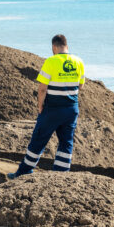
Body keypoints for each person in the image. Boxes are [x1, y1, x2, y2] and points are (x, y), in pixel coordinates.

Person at [8, 34, 85, 178]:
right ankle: (60, 175)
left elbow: (42, 88)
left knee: (38, 139)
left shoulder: (51, 61)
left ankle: (23, 172)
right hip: (71, 108)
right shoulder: (79, 61)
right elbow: (80, 85)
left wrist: (40, 106)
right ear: (67, 46)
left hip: (53, 109)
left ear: (54, 47)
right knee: (66, 142)